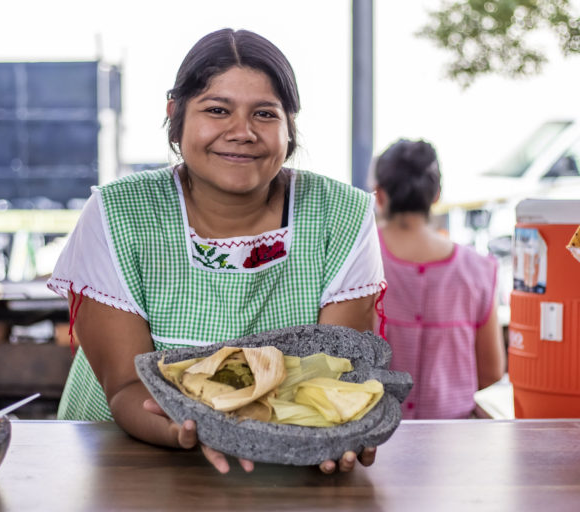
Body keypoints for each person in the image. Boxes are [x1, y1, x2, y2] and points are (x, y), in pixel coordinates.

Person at [48, 28, 385, 473]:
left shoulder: (342, 215)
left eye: (265, 114)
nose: (241, 132)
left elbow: (332, 378)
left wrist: (338, 429)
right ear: (176, 115)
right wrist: (191, 428)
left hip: (278, 468)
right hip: (126, 460)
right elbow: (127, 386)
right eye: (217, 110)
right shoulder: (117, 213)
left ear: (290, 127)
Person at [372, 139, 506, 419]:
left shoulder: (363, 261)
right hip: (453, 441)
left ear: (380, 195)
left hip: (377, 440)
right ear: (436, 195)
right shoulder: (478, 270)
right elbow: (491, 373)